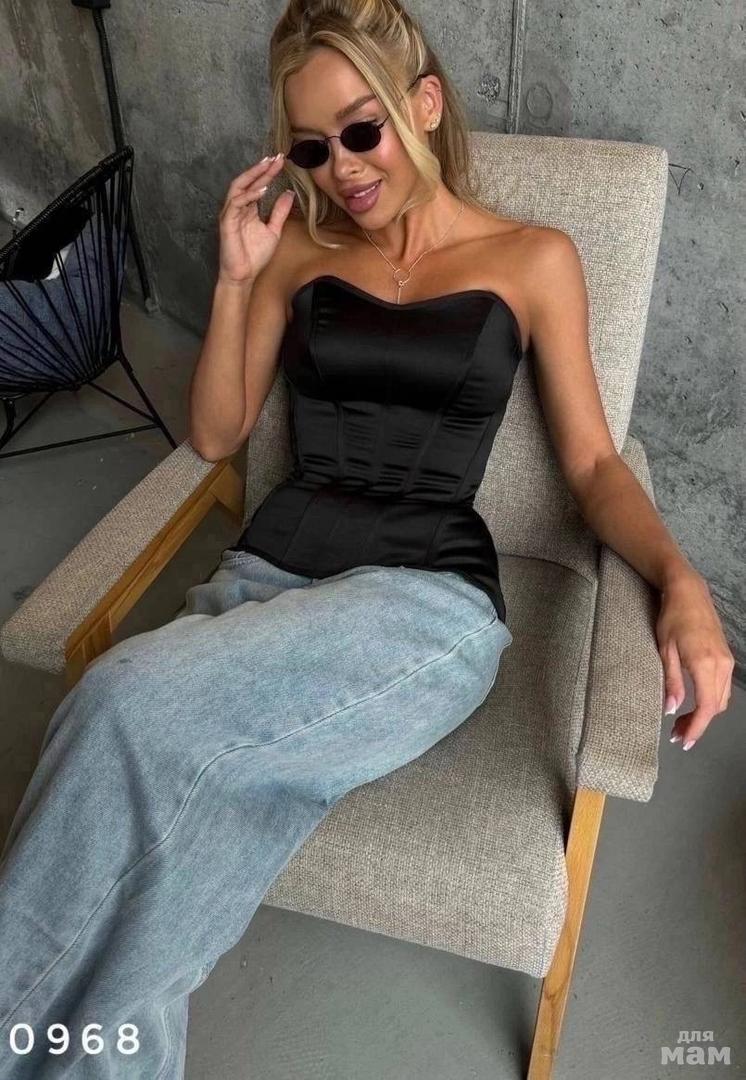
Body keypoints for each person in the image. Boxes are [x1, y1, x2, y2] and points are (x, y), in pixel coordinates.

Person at [0, 0, 734, 1077]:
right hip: (264, 581)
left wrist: (680, 581)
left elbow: (591, 466)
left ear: (422, 105)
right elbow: (215, 434)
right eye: (311, 147)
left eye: (360, 130)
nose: (340, 168)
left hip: (422, 604)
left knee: (118, 701)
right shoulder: (295, 248)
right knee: (168, 886)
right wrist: (238, 275)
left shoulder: (533, 258)